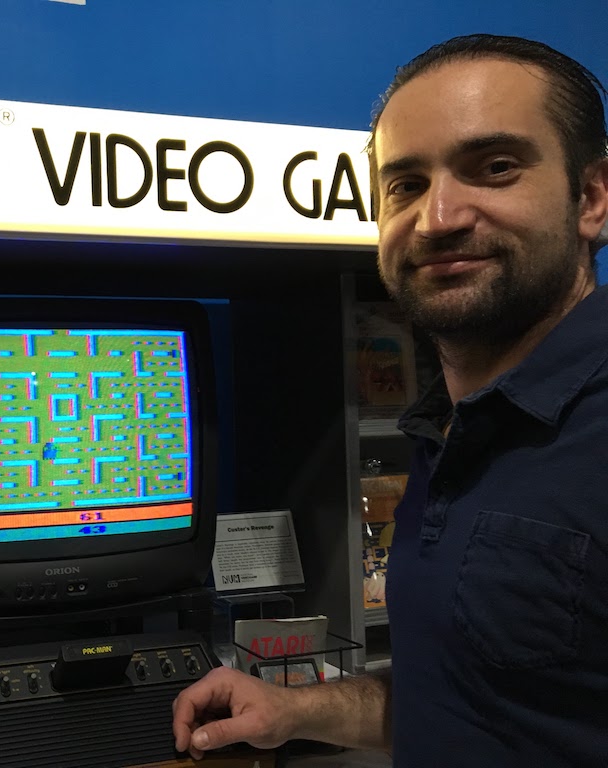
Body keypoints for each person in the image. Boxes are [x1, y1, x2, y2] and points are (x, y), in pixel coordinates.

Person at [172, 33, 608, 767]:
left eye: (494, 168)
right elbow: (476, 700)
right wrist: (295, 709)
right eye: (405, 185)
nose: (437, 218)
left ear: (591, 197)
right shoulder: (452, 432)